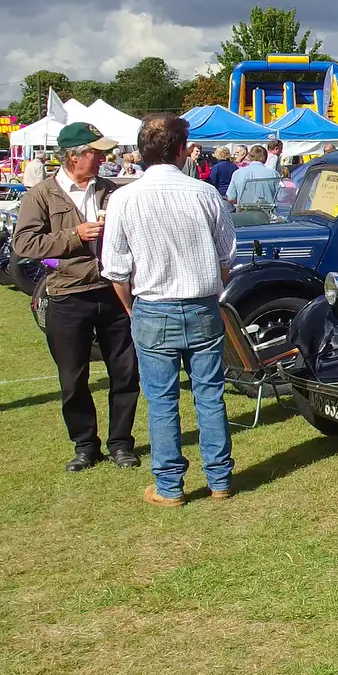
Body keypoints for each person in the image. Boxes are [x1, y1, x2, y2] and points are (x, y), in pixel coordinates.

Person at [101, 115, 238, 506]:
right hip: (200, 304)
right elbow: (227, 254)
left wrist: (131, 308)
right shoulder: (203, 193)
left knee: (162, 401)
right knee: (209, 395)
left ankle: (170, 486)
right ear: (181, 149)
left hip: (153, 305)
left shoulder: (125, 197)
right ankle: (220, 480)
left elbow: (115, 267)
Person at [12, 122, 141, 473]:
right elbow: (24, 244)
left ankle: (121, 444)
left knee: (125, 373)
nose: (103, 158)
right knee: (72, 378)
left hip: (115, 293)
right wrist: (74, 235)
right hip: (68, 295)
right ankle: (85, 445)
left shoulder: (113, 191)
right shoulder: (41, 194)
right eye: (95, 153)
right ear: (73, 156)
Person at [226, 144, 280, 209]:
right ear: (265, 159)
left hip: (244, 213)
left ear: (249, 157)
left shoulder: (237, 173)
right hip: (266, 214)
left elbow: (231, 198)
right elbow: (281, 197)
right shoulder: (274, 174)